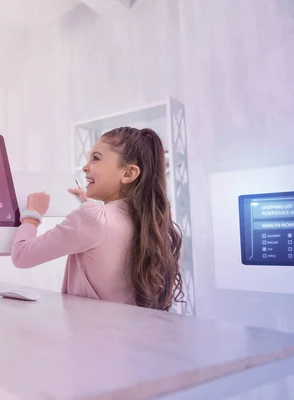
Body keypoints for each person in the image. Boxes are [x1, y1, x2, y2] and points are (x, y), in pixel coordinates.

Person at [11, 127, 184, 311]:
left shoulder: (94, 219)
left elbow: (21, 256)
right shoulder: (151, 223)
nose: (85, 167)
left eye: (96, 158)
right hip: (128, 336)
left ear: (128, 174)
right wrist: (88, 203)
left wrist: (33, 215)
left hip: (89, 337)